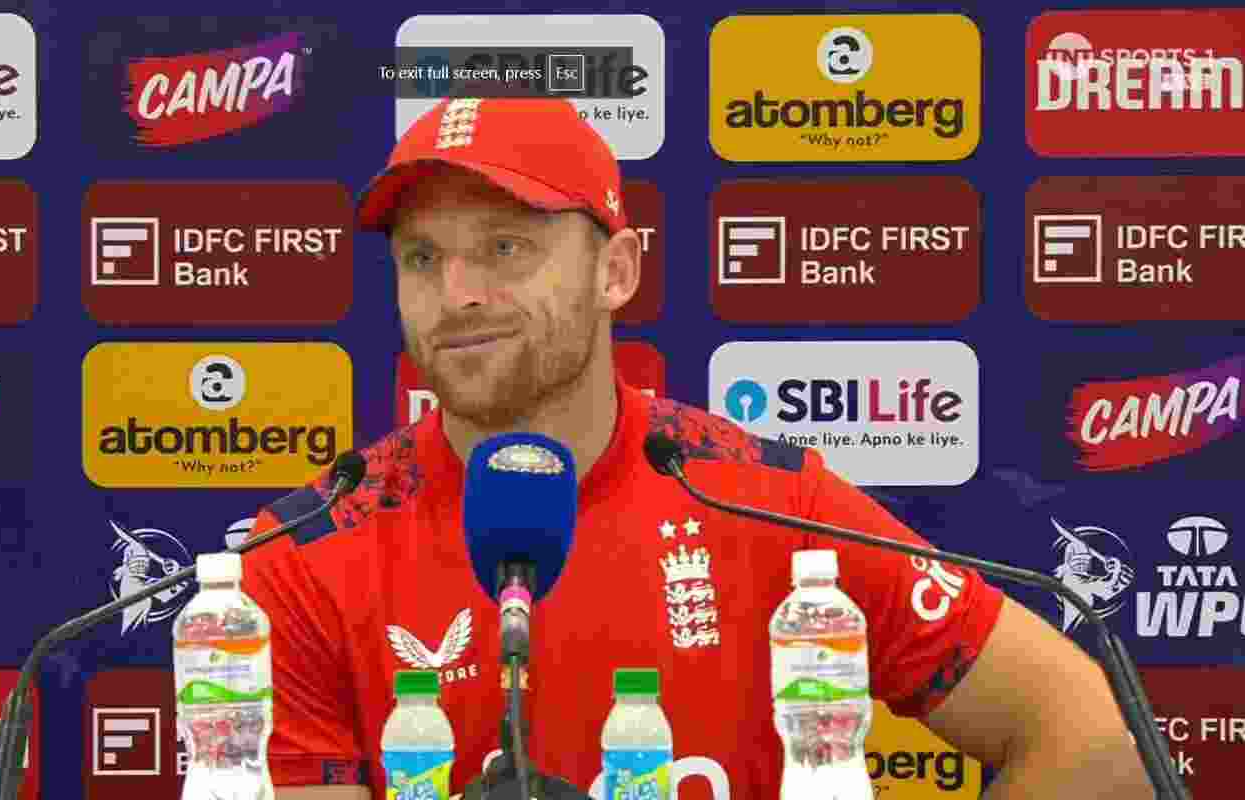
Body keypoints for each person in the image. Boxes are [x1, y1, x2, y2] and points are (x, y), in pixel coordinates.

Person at [240, 98, 1152, 800]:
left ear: (618, 271)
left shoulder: (768, 498)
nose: (459, 293)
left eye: (507, 246)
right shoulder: (307, 553)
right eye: (421, 259)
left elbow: (1095, 742)